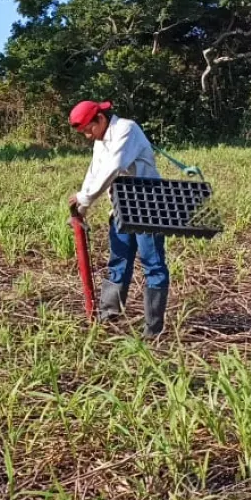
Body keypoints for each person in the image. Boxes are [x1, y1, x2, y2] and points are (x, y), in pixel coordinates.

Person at [67, 100, 169, 337]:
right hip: (122, 209)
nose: (88, 136)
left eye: (89, 130)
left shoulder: (126, 129)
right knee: (118, 262)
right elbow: (95, 171)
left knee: (152, 265)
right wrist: (81, 208)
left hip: (148, 209)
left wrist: (85, 198)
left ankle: (153, 330)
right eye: (83, 133)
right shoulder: (101, 140)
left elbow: (113, 167)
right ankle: (108, 317)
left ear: (101, 119)